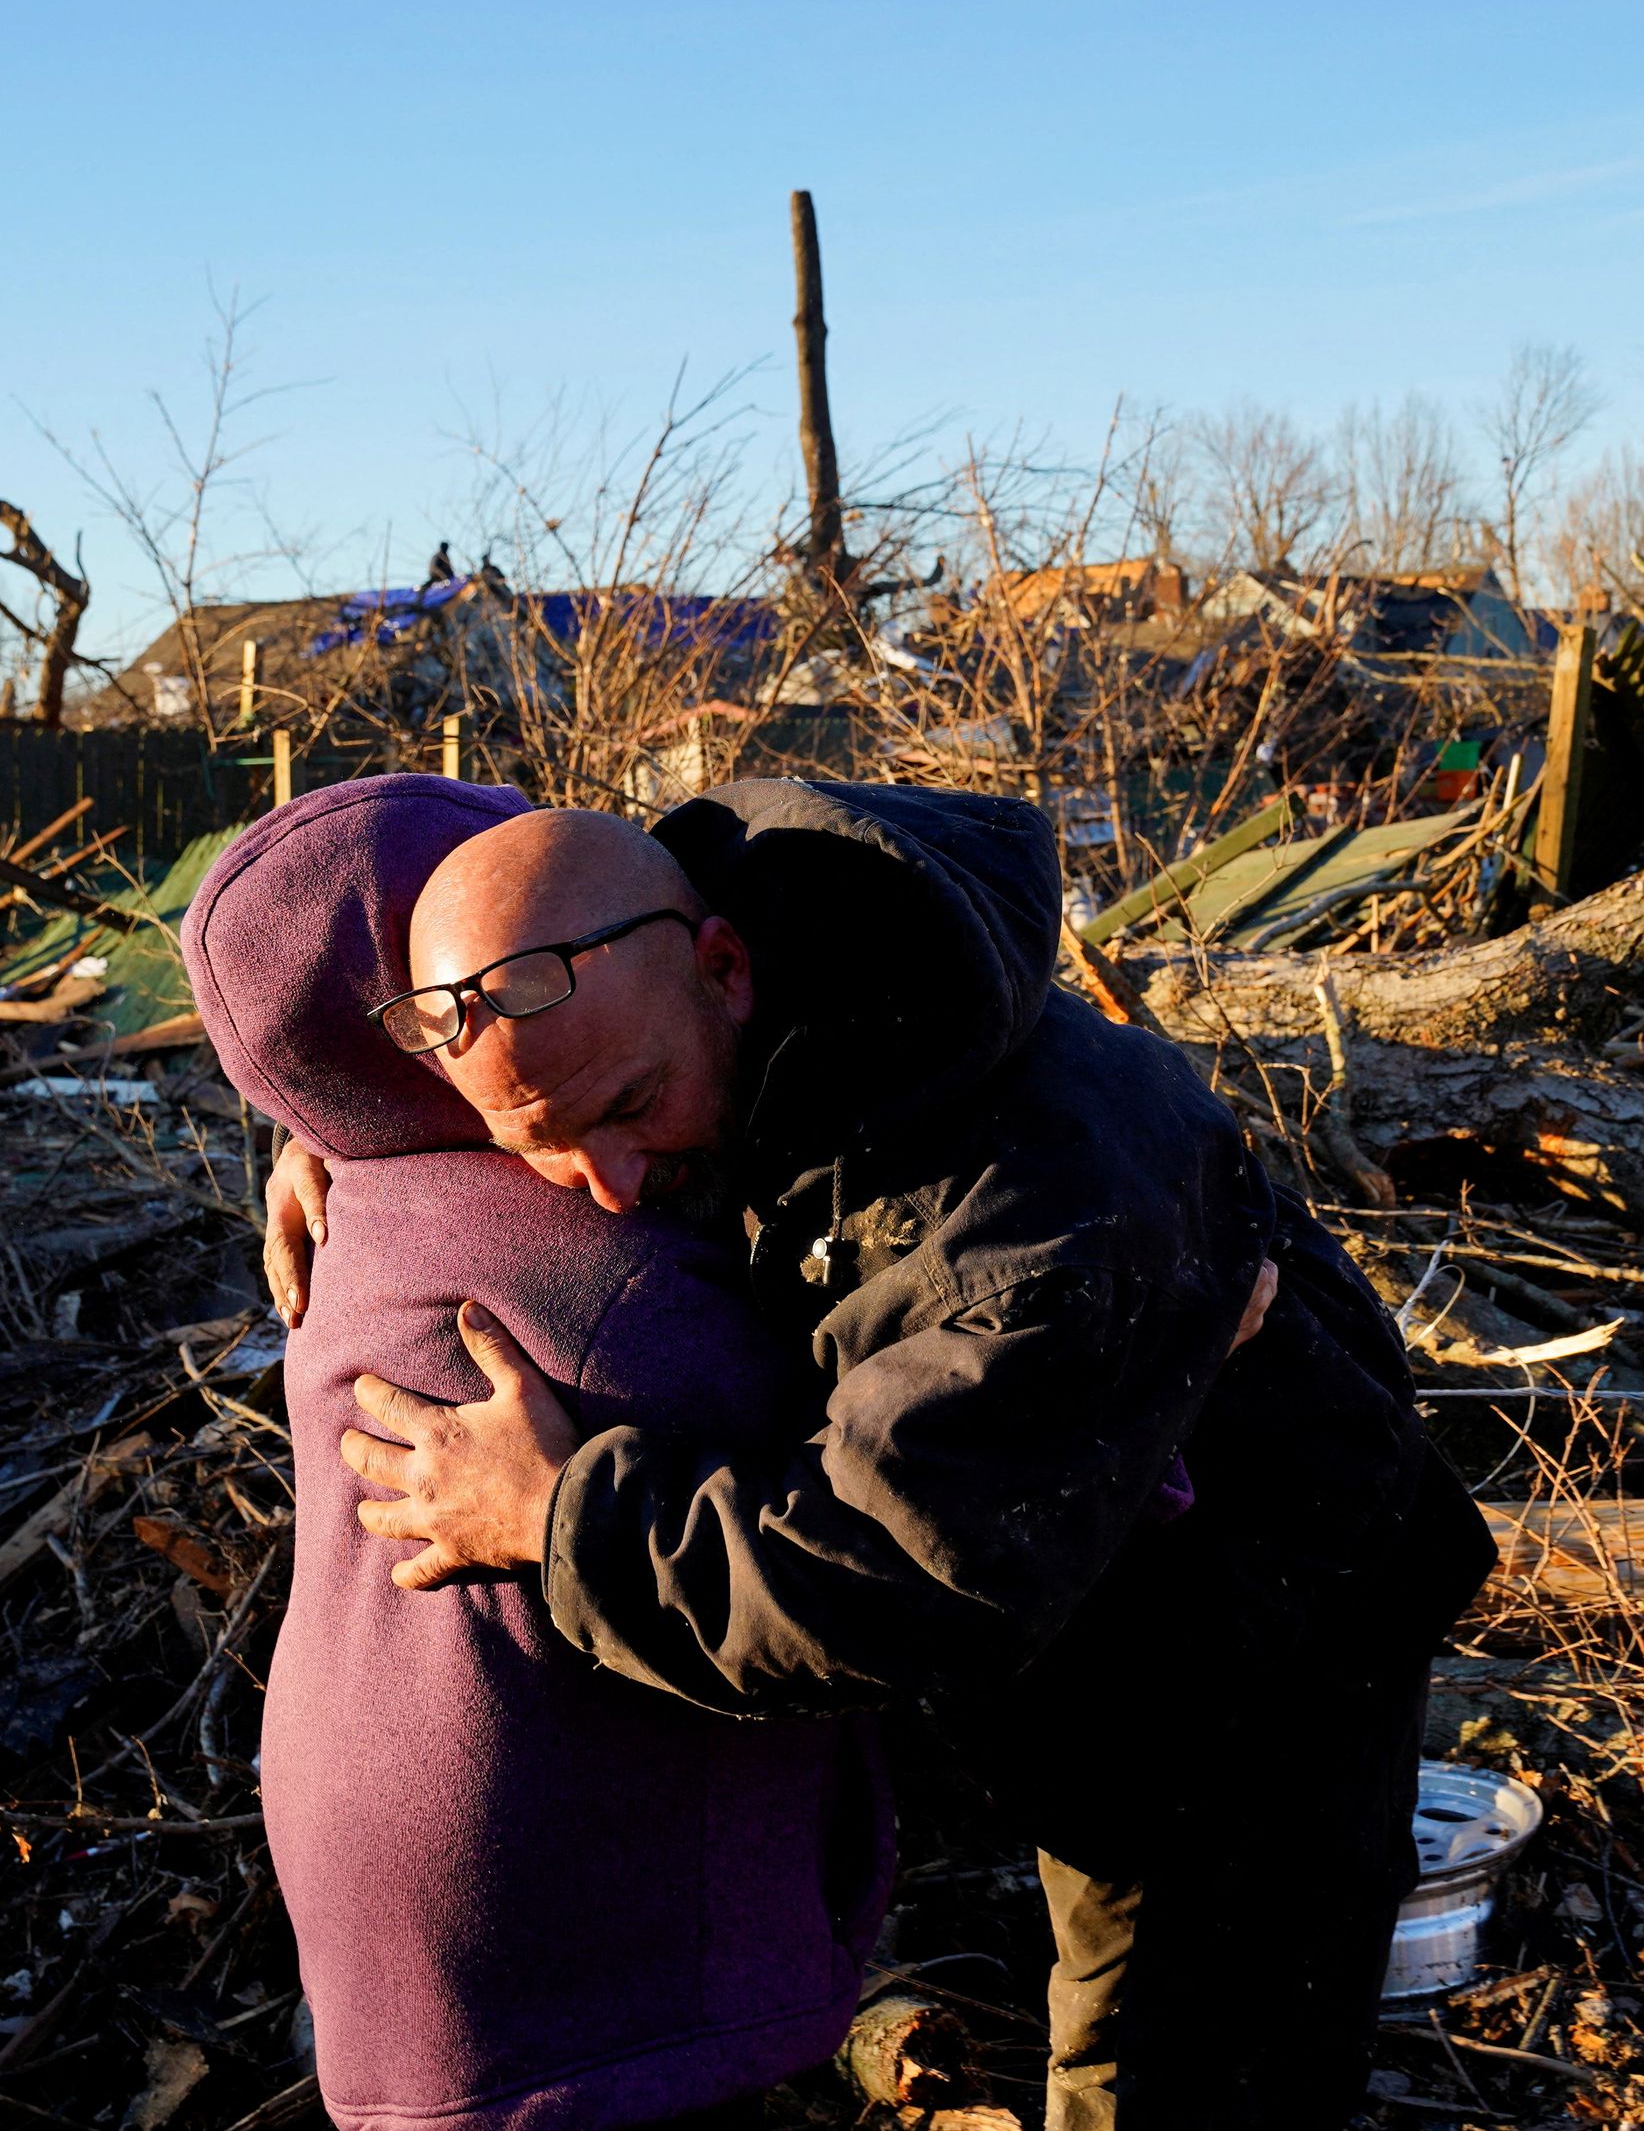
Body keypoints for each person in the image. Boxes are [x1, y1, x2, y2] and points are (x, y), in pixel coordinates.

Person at [273, 780, 1493, 2131]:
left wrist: (562, 1515)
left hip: (1254, 1658)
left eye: (630, 1105)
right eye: (537, 1143)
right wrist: (337, 1135)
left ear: (726, 969)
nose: (608, 1185)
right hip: (1103, 1576)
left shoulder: (1020, 1217)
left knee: (1178, 2069)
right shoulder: (748, 965)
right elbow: (524, 1015)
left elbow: (902, 1573)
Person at [183, 777, 886, 2131]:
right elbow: (898, 1512)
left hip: (384, 1888)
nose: (607, 1171)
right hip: (567, 1933)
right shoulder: (608, 1279)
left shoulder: (367, 1201)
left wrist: (307, 1129)